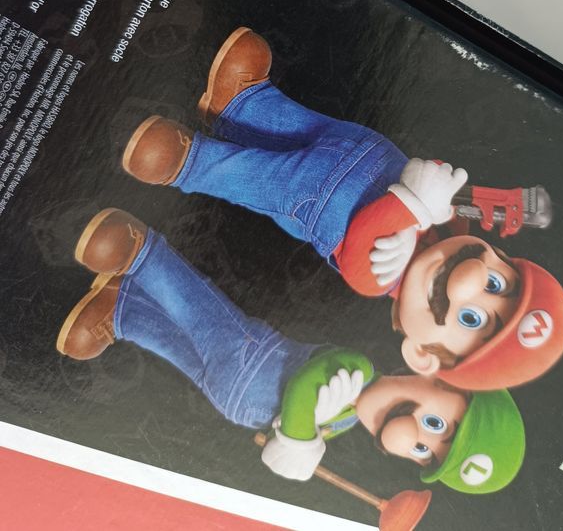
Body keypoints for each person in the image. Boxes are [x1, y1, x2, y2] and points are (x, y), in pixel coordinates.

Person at [122, 27, 563, 390]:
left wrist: (416, 206)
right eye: (497, 282)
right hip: (354, 146)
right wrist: (462, 196)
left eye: (472, 318)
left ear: (420, 352)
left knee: (261, 178)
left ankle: (188, 163)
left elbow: (362, 245)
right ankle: (243, 103)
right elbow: (441, 179)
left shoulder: (381, 277)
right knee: (301, 127)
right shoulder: (450, 223)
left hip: (317, 198)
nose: (473, 278)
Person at [57, 208, 526, 495]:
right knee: (192, 308)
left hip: (229, 395)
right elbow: (305, 385)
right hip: (248, 357)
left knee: (175, 345)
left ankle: (122, 311)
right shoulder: (357, 371)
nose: (419, 436)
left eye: (424, 451)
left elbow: (293, 422)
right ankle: (140, 251)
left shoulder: (345, 421)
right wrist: (300, 440)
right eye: (440, 425)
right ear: (439, 378)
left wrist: (297, 436)